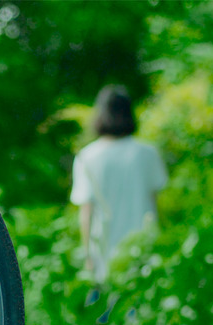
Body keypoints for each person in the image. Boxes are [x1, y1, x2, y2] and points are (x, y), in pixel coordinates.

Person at [71, 85, 167, 284]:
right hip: (143, 250)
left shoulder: (87, 157)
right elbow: (155, 205)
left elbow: (86, 212)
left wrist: (88, 255)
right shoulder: (148, 153)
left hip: (104, 252)